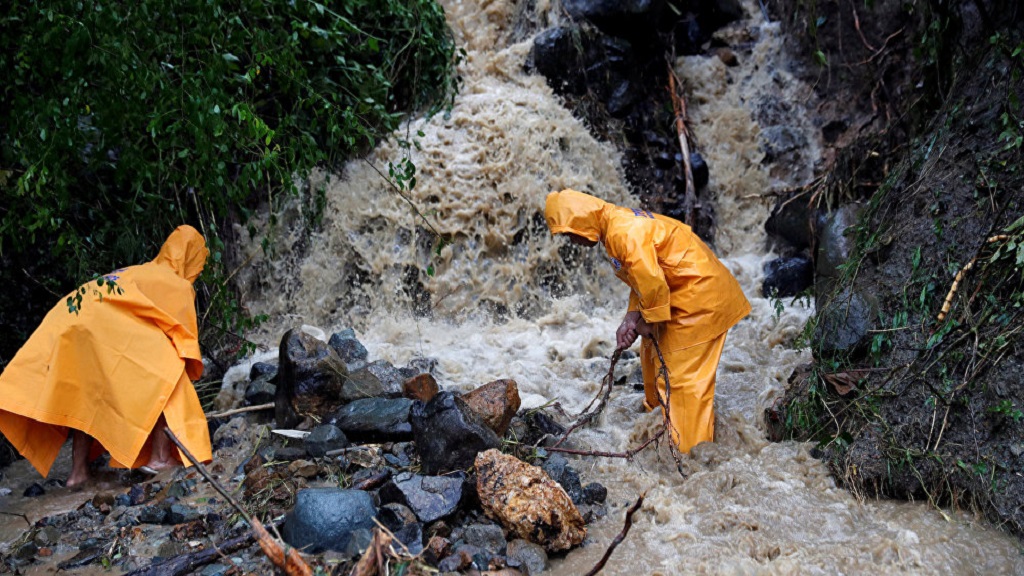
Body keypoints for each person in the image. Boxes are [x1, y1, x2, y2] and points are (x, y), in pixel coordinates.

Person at [0, 225, 213, 487]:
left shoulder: (137, 271)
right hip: (97, 325)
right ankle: (159, 458)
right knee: (167, 374)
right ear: (191, 259)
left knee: (86, 396)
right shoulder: (174, 283)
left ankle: (78, 473)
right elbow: (183, 342)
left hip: (70, 317)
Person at [545, 189, 750, 453]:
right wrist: (631, 319)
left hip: (700, 300)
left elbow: (653, 283)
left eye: (569, 232)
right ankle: (661, 431)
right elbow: (642, 278)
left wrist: (648, 323)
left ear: (581, 220)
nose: (572, 240)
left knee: (681, 383)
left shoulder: (623, 232)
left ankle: (690, 454)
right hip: (682, 294)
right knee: (652, 363)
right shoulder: (616, 224)